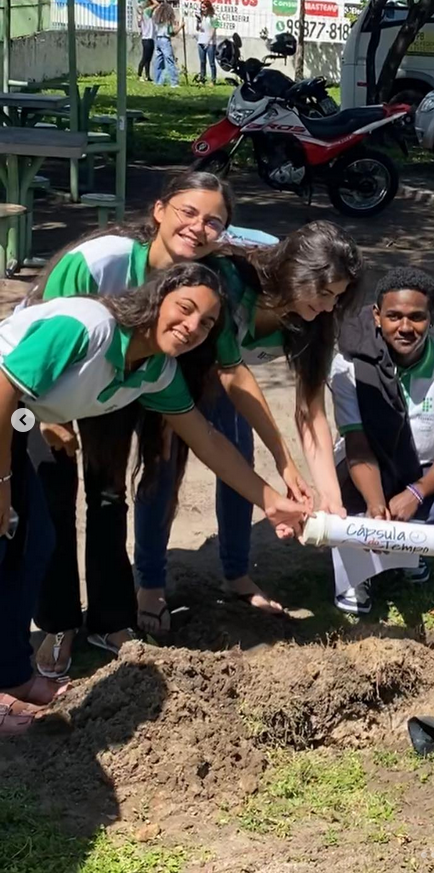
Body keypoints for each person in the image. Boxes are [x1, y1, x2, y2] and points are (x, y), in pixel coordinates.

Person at [0, 265, 306, 736]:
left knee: (33, 544)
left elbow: (207, 440)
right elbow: (3, 388)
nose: (192, 326)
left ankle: (12, 676)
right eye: (185, 308)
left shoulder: (156, 370)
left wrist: (271, 501)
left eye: (206, 322)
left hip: (11, 423)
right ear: (158, 298)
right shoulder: (88, 327)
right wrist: (2, 482)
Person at [29, 172, 308, 673]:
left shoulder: (200, 296)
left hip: (124, 376)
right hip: (41, 383)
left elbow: (221, 400)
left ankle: (109, 620)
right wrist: (54, 419)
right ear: (159, 210)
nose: (199, 227)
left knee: (108, 495)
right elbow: (42, 338)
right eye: (189, 212)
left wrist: (275, 486)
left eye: (214, 221)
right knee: (53, 499)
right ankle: (57, 624)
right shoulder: (102, 260)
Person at [136, 219, 364, 627]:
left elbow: (311, 411)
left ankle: (236, 574)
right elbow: (232, 371)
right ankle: (150, 584)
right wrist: (284, 460)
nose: (330, 307)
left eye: (338, 297)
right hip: (173, 368)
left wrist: (331, 498)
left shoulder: (316, 320)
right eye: (325, 293)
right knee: (162, 467)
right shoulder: (230, 280)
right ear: (297, 273)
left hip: (225, 378)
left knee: (240, 466)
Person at [328, 268, 434, 614]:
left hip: (420, 471)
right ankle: (356, 573)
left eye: (417, 317)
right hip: (366, 467)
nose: (405, 327)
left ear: (432, 318)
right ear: (377, 316)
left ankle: (408, 551)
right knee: (343, 494)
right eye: (394, 316)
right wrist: (377, 506)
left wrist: (416, 493)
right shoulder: (349, 365)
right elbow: (356, 442)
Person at [152, 1, 182, 88]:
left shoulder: (157, 20)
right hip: (165, 40)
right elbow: (172, 33)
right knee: (170, 61)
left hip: (158, 39)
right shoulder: (168, 21)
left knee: (158, 60)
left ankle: (157, 81)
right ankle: (174, 82)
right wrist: (180, 27)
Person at [136, 0, 156, 82]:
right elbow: (157, 4)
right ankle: (139, 74)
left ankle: (147, 76)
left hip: (150, 38)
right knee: (145, 58)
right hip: (147, 38)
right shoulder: (147, 11)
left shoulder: (145, 13)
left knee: (148, 59)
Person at [195, 0, 218, 84]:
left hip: (210, 43)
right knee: (202, 62)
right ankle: (202, 79)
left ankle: (213, 80)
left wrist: (208, 42)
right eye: (201, 8)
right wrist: (198, 21)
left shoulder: (213, 17)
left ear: (208, 7)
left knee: (212, 63)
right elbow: (197, 29)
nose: (202, 9)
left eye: (204, 7)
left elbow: (214, 30)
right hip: (201, 41)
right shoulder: (201, 17)